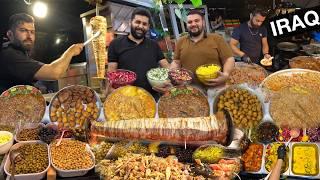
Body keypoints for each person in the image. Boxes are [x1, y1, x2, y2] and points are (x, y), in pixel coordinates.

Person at [0, 13, 83, 93]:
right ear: (10, 34)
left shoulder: (19, 52)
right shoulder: (9, 54)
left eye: (32, 32)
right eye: (23, 30)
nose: (29, 36)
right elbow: (54, 73)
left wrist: (37, 88)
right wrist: (71, 51)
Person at [107, 7, 170, 99]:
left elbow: (166, 67)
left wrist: (170, 81)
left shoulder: (154, 45)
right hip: (127, 98)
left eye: (144, 24)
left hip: (152, 97)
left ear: (148, 27)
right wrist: (109, 90)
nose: (140, 26)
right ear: (130, 22)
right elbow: (111, 73)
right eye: (137, 22)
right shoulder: (115, 44)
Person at [171, 9, 235, 87]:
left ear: (203, 22)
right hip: (189, 88)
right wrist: (174, 74)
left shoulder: (217, 39)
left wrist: (226, 74)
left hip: (215, 86)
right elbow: (176, 62)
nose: (193, 24)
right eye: (189, 22)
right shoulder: (181, 41)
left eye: (197, 21)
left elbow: (229, 59)